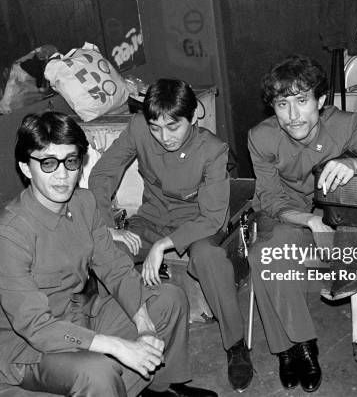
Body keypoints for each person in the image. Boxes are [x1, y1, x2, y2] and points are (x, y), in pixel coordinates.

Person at [0, 111, 217, 397]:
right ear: (26, 168)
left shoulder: (83, 203)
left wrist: (143, 325)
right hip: (30, 347)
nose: (62, 174)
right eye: (48, 163)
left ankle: (158, 387)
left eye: (71, 161)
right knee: (98, 370)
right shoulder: (8, 236)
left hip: (80, 315)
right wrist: (119, 347)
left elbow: (115, 268)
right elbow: (37, 327)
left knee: (168, 298)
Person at [247, 55, 357, 392]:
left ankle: (287, 350)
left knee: (265, 260)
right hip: (291, 215)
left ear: (320, 101)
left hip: (338, 217)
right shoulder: (261, 138)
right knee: (265, 257)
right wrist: (309, 221)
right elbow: (270, 200)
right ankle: (300, 347)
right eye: (282, 104)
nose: (292, 116)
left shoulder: (345, 124)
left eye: (302, 101)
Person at [89, 79, 254, 392]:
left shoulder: (212, 150)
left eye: (173, 126)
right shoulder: (138, 128)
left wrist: (165, 246)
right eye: (155, 127)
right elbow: (103, 174)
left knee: (210, 257)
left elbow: (212, 217)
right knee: (106, 249)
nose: (164, 137)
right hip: (149, 221)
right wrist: (107, 224)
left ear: (192, 118)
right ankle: (113, 341)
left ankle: (236, 346)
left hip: (196, 227)